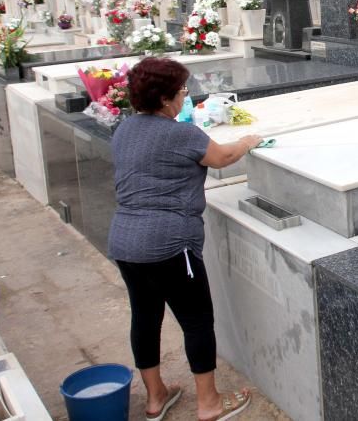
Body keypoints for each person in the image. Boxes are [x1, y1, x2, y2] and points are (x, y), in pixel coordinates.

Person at [107, 57, 263, 421]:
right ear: (164, 99)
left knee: (145, 317)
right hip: (171, 246)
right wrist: (248, 140)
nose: (185, 96)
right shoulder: (182, 134)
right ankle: (209, 403)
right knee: (196, 321)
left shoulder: (125, 130)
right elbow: (222, 157)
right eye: (182, 91)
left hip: (125, 242)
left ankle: (155, 397)